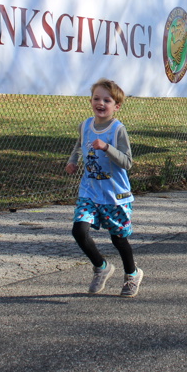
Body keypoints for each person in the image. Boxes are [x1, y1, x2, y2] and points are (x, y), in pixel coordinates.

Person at [65, 79, 143, 297]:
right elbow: (79, 145)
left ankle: (132, 274)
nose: (100, 103)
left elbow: (127, 162)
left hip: (115, 194)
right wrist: (73, 161)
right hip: (89, 191)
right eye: (96, 98)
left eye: (106, 100)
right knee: (79, 230)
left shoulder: (117, 130)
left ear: (116, 106)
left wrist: (107, 147)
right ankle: (101, 267)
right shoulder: (85, 125)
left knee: (118, 238)